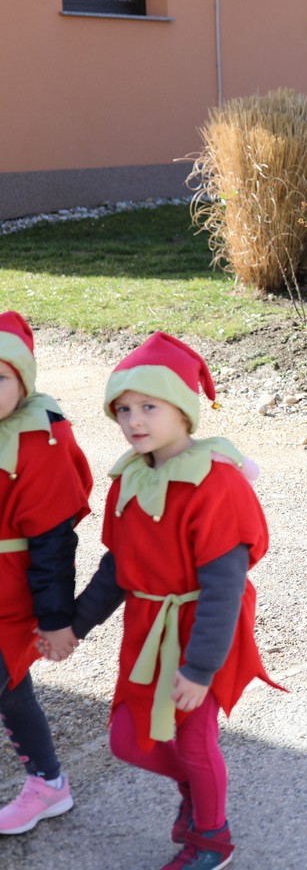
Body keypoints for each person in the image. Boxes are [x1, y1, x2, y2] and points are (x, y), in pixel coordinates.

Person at [70, 332, 280, 869]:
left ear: (183, 410)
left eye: (148, 406)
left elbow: (225, 586)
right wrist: (75, 625)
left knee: (192, 740)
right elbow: (117, 568)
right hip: (148, 626)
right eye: (123, 409)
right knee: (128, 738)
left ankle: (212, 840)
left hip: (206, 627)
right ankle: (196, 790)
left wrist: (200, 668)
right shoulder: (129, 479)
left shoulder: (217, 484)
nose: (133, 420)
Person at [0, 313, 92, 836]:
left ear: (23, 381)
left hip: (12, 594)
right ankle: (48, 783)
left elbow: (55, 541)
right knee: (11, 691)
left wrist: (57, 618)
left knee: (8, 681)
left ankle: (48, 783)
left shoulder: (40, 440)